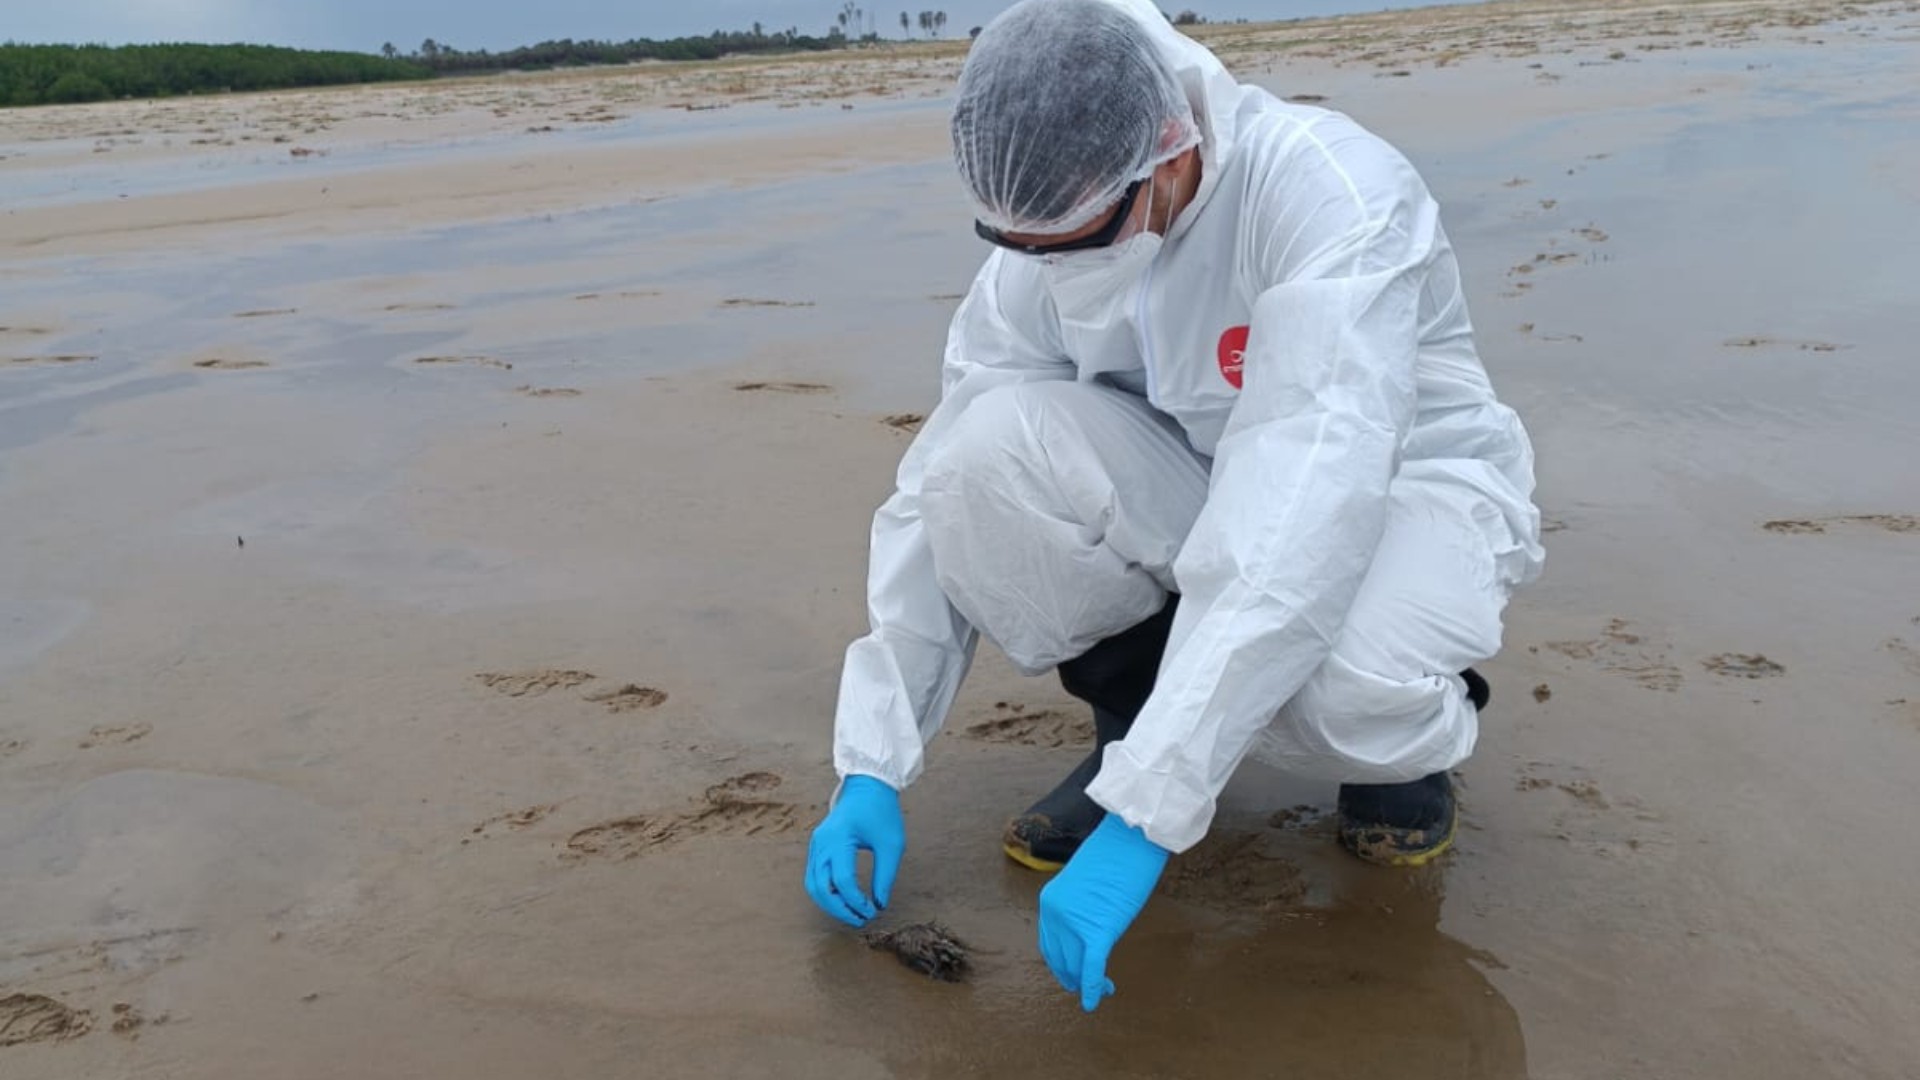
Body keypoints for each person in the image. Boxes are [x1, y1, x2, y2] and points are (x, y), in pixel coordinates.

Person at [804, 0, 1544, 1012]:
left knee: (1346, 691)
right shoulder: (1041, 246)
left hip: (1395, 488)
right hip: (1194, 477)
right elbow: (942, 481)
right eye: (1023, 242)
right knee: (978, 461)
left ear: (1168, 147)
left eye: (1080, 235)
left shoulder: (1329, 195)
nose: (1052, 264)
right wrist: (872, 760)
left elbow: (1302, 507)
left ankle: (1403, 752)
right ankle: (1132, 730)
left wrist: (1146, 821)